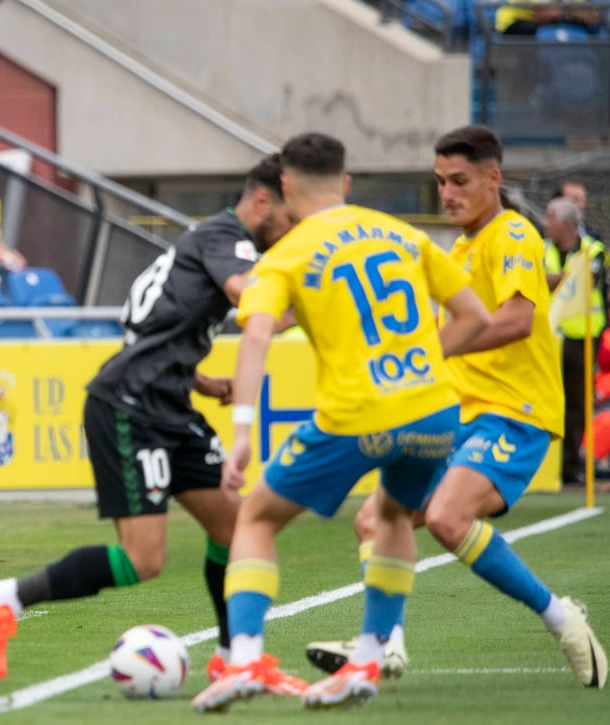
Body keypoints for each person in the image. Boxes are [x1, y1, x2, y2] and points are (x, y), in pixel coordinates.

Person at [190, 132, 493, 712]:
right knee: (395, 515)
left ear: (285, 186)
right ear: (346, 183)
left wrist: (244, 431)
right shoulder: (402, 234)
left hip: (359, 413)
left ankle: (245, 659)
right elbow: (475, 316)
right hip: (434, 409)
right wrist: (418, 364)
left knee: (255, 517)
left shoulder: (288, 254)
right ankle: (368, 662)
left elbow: (256, 336)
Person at [0, 155, 293, 680]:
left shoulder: (207, 241)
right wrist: (312, 295)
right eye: (290, 217)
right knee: (144, 559)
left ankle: (234, 662)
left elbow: (149, 326)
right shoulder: (226, 237)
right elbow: (248, 298)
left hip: (169, 405)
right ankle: (2, 597)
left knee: (235, 525)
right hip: (129, 406)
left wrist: (202, 381)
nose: (292, 229)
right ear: (262, 200)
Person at [304, 126, 608, 692]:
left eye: (459, 181)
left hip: (514, 412)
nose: (447, 193)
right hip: (459, 415)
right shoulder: (461, 248)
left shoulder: (510, 234)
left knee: (446, 517)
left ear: (493, 178)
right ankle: (385, 644)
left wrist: (430, 348)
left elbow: (517, 320)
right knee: (374, 520)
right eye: (440, 182)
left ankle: (562, 619)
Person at [543, 197, 605, 485]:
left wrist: (555, 278)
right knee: (550, 399)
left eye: (550, 218)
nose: (545, 224)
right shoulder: (543, 248)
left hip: (583, 337)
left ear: (565, 223)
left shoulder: (594, 249)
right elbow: (536, 278)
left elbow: (586, 282)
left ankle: (570, 466)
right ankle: (548, 466)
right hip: (551, 336)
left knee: (578, 402)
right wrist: (566, 277)